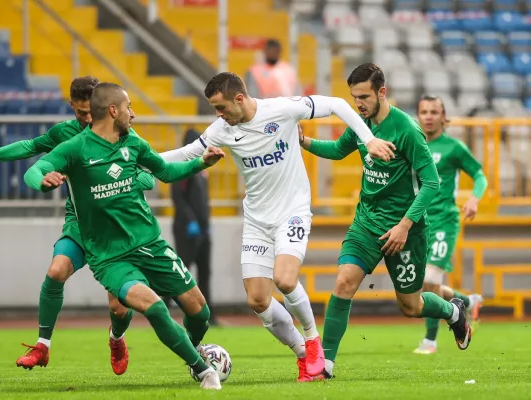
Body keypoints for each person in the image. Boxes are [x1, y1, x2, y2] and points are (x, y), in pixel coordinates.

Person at [160, 71, 396, 381]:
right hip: (257, 220)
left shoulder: (282, 109)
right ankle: (302, 354)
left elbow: (338, 104)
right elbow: (183, 154)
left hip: (292, 212)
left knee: (284, 280)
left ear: (239, 99)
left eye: (221, 107)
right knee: (257, 299)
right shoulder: (222, 129)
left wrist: (369, 138)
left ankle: (313, 342)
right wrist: (135, 161)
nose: (218, 114)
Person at [23, 82, 225, 389]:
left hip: (151, 245)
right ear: (114, 110)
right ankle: (202, 370)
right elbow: (33, 171)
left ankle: (190, 348)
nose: (134, 113)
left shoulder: (133, 142)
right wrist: (43, 180)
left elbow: (165, 173)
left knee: (200, 313)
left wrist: (200, 163)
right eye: (128, 107)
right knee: (155, 306)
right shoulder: (76, 148)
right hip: (110, 256)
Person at [298, 63, 473, 380]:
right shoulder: (361, 123)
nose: (358, 104)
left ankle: (453, 311)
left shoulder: (406, 130)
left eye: (363, 97)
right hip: (366, 223)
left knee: (410, 306)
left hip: (406, 230)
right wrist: (304, 142)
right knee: (343, 283)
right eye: (354, 98)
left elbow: (431, 183)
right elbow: (339, 150)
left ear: (382, 92)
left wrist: (405, 225)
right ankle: (326, 365)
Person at [0, 77, 136, 374]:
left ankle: (116, 338)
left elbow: (147, 175)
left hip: (115, 228)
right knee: (55, 271)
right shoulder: (65, 133)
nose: (87, 119)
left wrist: (122, 185)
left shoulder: (123, 132)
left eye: (91, 112)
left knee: (118, 307)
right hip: (79, 225)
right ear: (72, 108)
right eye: (80, 113)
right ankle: (43, 346)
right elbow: (29, 147)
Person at [413, 95, 486, 355]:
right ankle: (467, 300)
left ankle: (430, 340)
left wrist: (474, 199)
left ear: (444, 117)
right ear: (418, 116)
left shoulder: (453, 148)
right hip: (419, 224)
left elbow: (479, 175)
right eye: (424, 111)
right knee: (422, 284)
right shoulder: (413, 145)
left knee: (430, 280)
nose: (429, 116)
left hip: (444, 220)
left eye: (434, 111)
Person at [170, 129, 217, 325]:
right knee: (182, 272)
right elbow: (178, 199)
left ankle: (209, 315)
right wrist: (191, 222)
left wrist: (205, 224)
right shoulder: (182, 168)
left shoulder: (201, 170)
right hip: (186, 230)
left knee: (205, 272)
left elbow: (202, 201)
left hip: (202, 230)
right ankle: (164, 308)